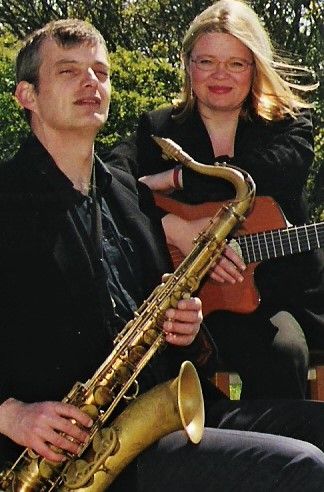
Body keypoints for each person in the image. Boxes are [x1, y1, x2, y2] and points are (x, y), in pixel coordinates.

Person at [2, 17, 324, 492]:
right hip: (77, 449)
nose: (91, 82)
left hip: (155, 417)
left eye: (101, 72)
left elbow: (163, 315)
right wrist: (12, 415)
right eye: (69, 72)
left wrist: (186, 326)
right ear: (26, 95)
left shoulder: (127, 198)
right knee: (301, 469)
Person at [106, 0, 324, 400]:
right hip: (186, 303)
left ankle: (280, 458)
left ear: (255, 67)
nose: (220, 75)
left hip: (275, 300)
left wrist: (180, 176)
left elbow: (267, 174)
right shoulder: (157, 128)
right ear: (188, 64)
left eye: (236, 64)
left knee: (284, 351)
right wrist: (176, 228)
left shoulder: (289, 125)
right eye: (206, 62)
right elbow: (108, 183)